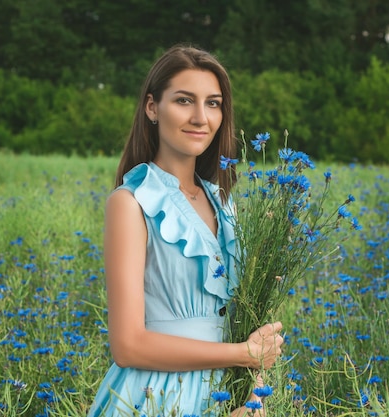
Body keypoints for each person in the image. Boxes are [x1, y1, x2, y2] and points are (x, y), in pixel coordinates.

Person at [87, 45, 284, 417]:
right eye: (183, 100)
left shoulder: (225, 204)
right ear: (151, 108)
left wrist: (254, 396)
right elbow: (128, 345)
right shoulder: (131, 202)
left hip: (226, 398)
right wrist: (241, 355)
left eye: (213, 103)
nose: (200, 117)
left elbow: (243, 319)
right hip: (154, 397)